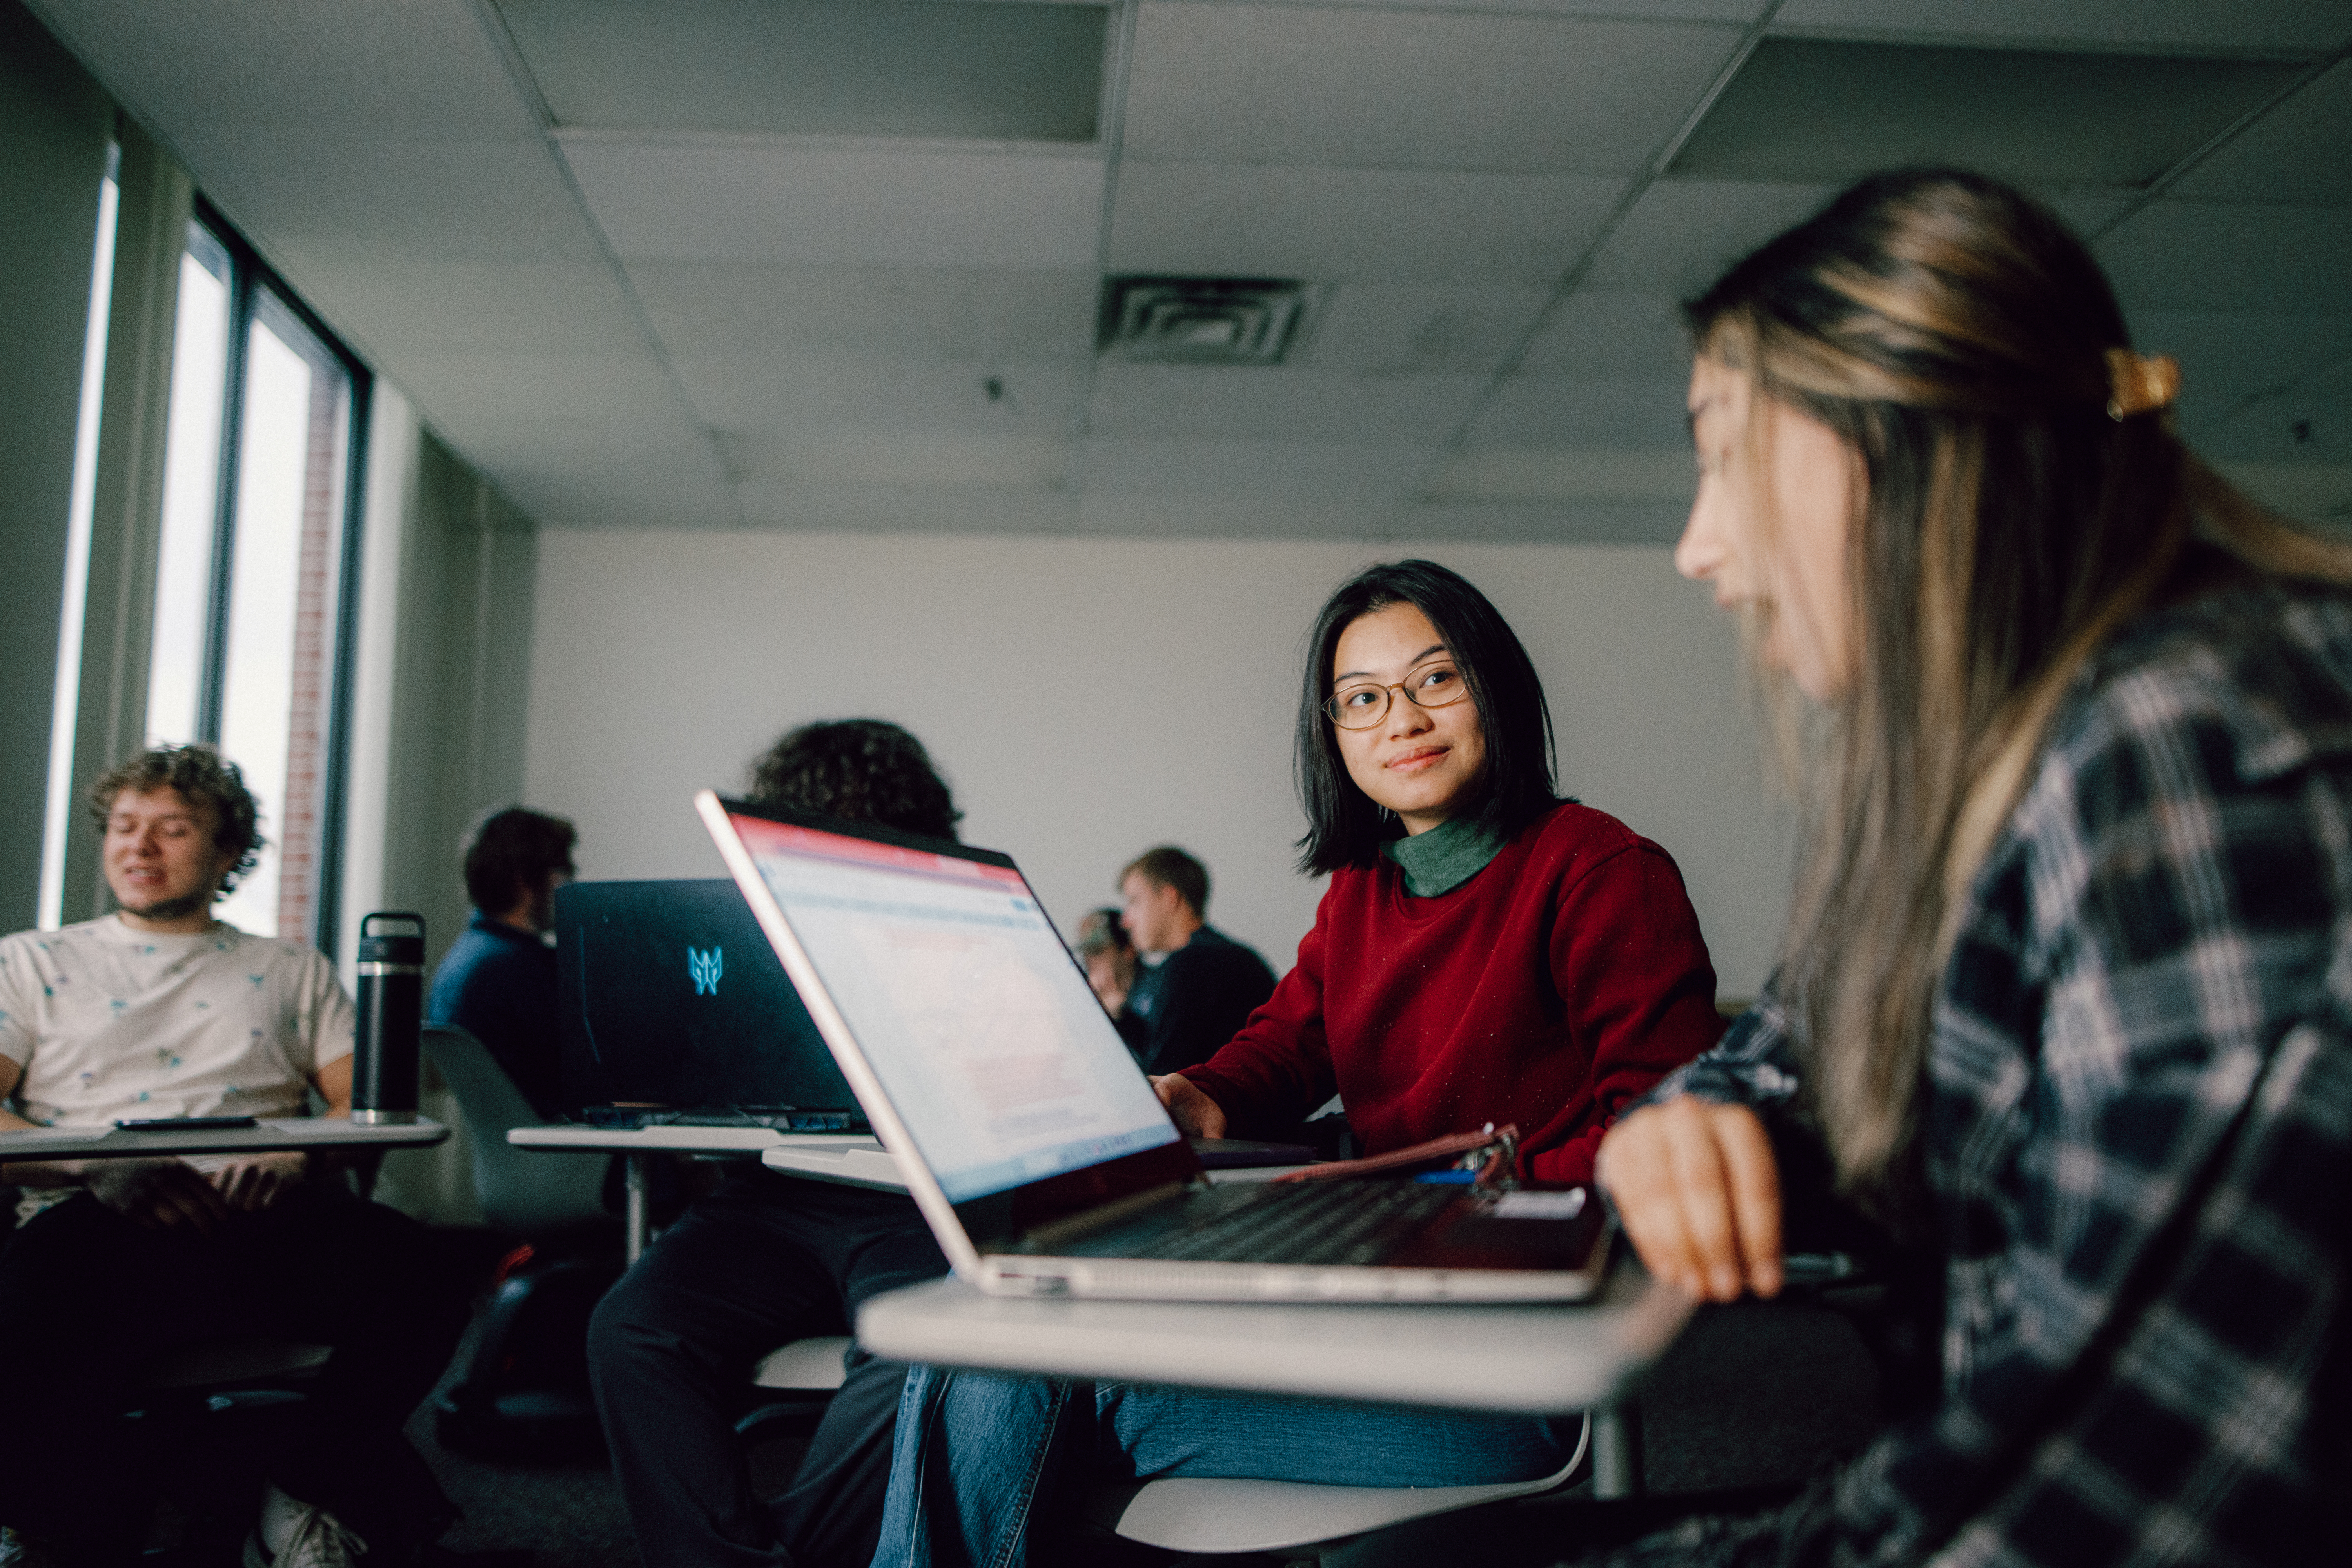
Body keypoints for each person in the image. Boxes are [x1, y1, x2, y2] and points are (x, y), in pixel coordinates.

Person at [1580, 169, 2352, 1566]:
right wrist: (1700, 1120)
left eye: (1723, 452)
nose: (1696, 545)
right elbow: (1802, 1041)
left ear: (1904, 438)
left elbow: (2135, 1485)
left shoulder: (2196, 756)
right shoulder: (1999, 766)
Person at [873, 559, 1726, 1567]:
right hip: (1372, 1304)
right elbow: (1289, 1042)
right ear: (1335, 735)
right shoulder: (1361, 893)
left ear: (1496, 686)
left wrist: (1451, 1197)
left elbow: (1662, 1132)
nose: (1400, 718)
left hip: (1511, 1361)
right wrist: (1200, 1091)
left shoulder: (1599, 870)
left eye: (1435, 680)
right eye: (1362, 698)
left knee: (1012, 1377)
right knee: (977, 1347)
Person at [0, 745, 468, 1568]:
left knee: (426, 1272)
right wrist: (92, 1167)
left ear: (226, 852)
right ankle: (46, 1525)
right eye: (125, 827)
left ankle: (299, 1490)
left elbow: (361, 1107)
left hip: (265, 1214)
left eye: (172, 829)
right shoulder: (33, 961)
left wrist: (298, 1161)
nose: (140, 847)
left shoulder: (288, 968)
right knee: (30, 1295)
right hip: (98, 1217)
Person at [587, 720, 961, 1568]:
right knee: (630, 1328)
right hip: (778, 1197)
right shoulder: (755, 940)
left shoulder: (955, 927)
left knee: (924, 1349)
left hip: (919, 1200)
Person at [426, 806, 577, 1117]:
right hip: (568, 1149)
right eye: (565, 871)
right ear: (526, 881)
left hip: (510, 1156)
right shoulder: (518, 970)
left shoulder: (462, 960)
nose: (572, 884)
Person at [1114, 847, 1277, 1077]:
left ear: (1170, 897)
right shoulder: (1239, 957)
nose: (1126, 921)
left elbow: (1165, 1079)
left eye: (1134, 902)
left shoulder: (1188, 966)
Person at [1070, 908, 1141, 1051]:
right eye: (1086, 953)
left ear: (1128, 949)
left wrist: (1118, 1018)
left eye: (1097, 951)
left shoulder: (1159, 992)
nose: (1090, 961)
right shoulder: (1086, 998)